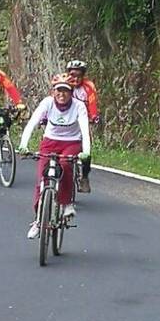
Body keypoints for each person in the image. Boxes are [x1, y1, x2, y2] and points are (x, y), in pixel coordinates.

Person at [17, 73, 90, 239]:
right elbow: (32, 123)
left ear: (71, 92)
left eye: (65, 91)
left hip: (71, 142)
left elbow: (85, 131)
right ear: (53, 92)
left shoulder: (78, 106)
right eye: (58, 90)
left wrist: (86, 152)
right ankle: (38, 220)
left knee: (65, 165)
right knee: (42, 179)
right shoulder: (48, 103)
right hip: (50, 142)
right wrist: (23, 144)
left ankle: (67, 204)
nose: (61, 94)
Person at [66, 59, 100, 193]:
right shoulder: (63, 84)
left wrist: (94, 116)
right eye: (73, 74)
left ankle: (84, 177)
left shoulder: (88, 86)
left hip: (83, 120)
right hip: (66, 119)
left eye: (79, 75)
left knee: (86, 148)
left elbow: (92, 102)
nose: (76, 78)